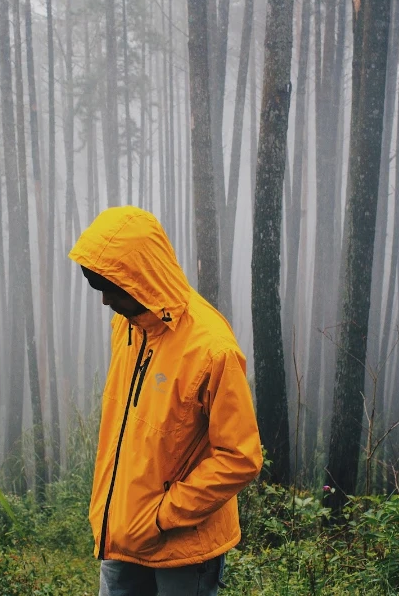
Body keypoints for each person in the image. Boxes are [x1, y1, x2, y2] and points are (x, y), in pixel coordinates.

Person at [69, 206, 263, 596]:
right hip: (121, 536)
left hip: (182, 550)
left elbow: (241, 457)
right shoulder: (128, 326)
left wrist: (161, 517)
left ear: (141, 279)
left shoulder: (211, 349)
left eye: (110, 287)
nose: (106, 301)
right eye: (97, 286)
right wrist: (124, 516)